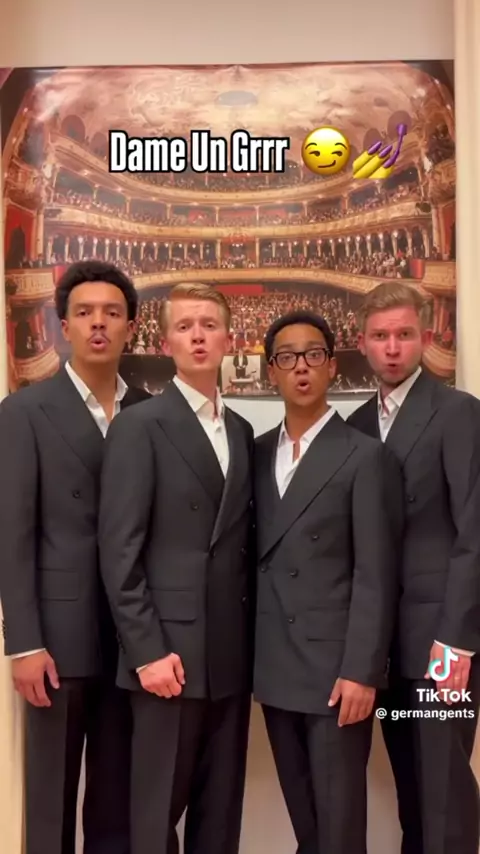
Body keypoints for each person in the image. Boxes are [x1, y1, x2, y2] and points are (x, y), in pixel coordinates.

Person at [97, 282, 255, 854]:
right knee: (154, 816)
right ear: (165, 343)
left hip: (230, 657)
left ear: (229, 339)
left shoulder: (241, 430)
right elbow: (119, 550)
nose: (198, 336)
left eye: (209, 325)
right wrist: (146, 652)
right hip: (165, 658)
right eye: (185, 326)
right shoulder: (139, 425)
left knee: (220, 818)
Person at [0, 260, 151, 854]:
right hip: (55, 643)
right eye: (85, 313)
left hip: (134, 641)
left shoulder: (150, 412)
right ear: (63, 326)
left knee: (118, 801)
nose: (98, 323)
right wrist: (24, 643)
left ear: (131, 327)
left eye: (112, 313)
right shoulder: (24, 412)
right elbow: (13, 534)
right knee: (50, 801)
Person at [253, 310, 404, 854]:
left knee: (339, 828)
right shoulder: (254, 451)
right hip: (274, 666)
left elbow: (375, 571)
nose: (301, 367)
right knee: (307, 825)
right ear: (271, 370)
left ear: (332, 366)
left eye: (313, 355)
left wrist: (362, 670)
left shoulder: (364, 455)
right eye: (287, 357)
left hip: (336, 673)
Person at [348, 281, 480, 854]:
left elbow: (476, 533)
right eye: (380, 336)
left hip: (441, 648)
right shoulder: (354, 424)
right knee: (411, 791)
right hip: (385, 651)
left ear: (425, 337)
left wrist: (457, 642)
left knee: (444, 791)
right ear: (362, 342)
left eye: (404, 334)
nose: (393, 347)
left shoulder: (458, 412)